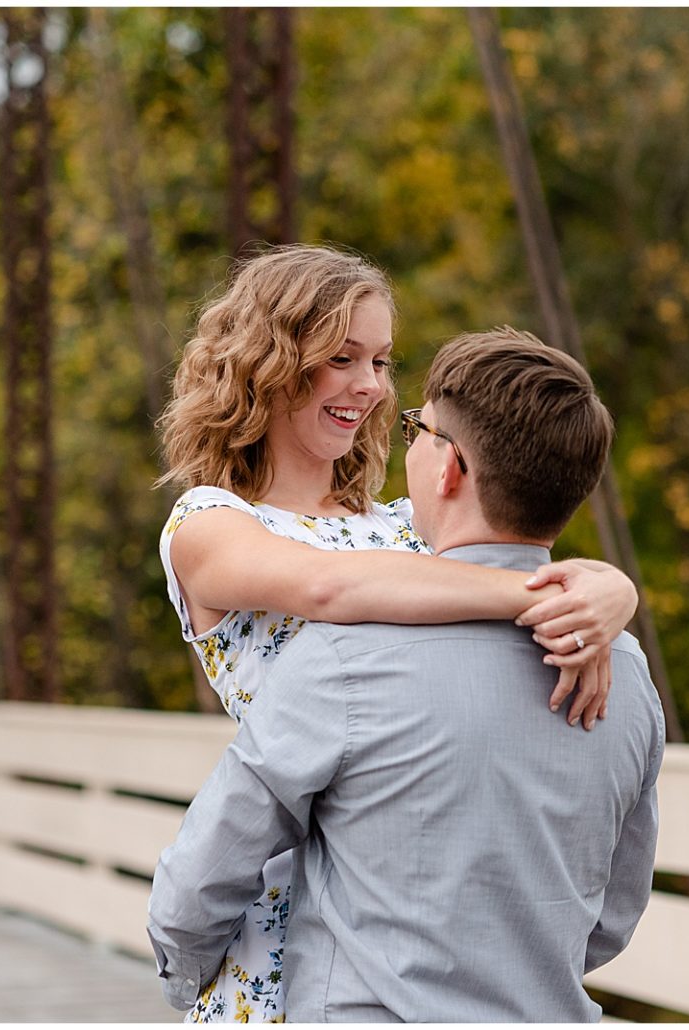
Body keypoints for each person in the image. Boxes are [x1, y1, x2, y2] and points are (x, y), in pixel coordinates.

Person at [154, 246, 639, 1022]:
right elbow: (328, 585)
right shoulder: (211, 525)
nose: (371, 387)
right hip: (279, 913)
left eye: (381, 360)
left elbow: (504, 533)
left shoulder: (401, 530)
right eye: (341, 358)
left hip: (394, 898)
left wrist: (611, 589)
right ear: (270, 363)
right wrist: (544, 596)